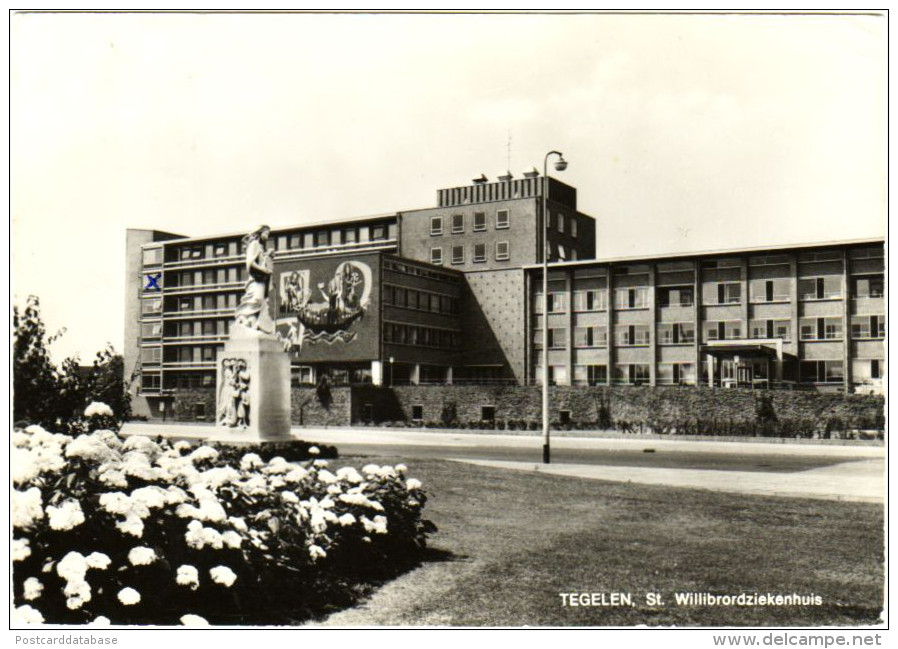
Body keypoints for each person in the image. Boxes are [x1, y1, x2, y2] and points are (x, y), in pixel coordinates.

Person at [235, 225, 274, 333]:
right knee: (256, 300)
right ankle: (242, 317)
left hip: (262, 280)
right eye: (265, 233)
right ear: (260, 233)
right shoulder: (254, 244)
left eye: (268, 234)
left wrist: (268, 258)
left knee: (261, 303)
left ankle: (255, 323)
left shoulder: (261, 247)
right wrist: (263, 270)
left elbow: (262, 261)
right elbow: (250, 264)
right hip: (255, 280)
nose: (267, 236)